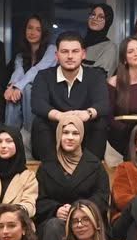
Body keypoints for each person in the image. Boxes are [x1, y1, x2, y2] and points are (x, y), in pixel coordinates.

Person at [37, 116, 110, 240]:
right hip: (56, 221)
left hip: (88, 220)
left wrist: (79, 210)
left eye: (75, 133)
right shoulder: (46, 166)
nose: (70, 137)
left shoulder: (95, 165)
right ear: (59, 135)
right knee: (53, 226)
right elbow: (39, 200)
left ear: (81, 136)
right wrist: (56, 209)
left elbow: (102, 198)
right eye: (65, 133)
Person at [33, 31, 110, 161]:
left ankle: (90, 166)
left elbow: (103, 104)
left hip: (84, 127)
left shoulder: (96, 76)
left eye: (75, 51)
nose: (70, 56)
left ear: (83, 54)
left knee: (100, 122)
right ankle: (51, 166)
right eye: (64, 52)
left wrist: (87, 113)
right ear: (57, 55)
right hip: (55, 127)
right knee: (39, 122)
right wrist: (60, 116)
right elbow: (37, 104)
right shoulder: (44, 76)